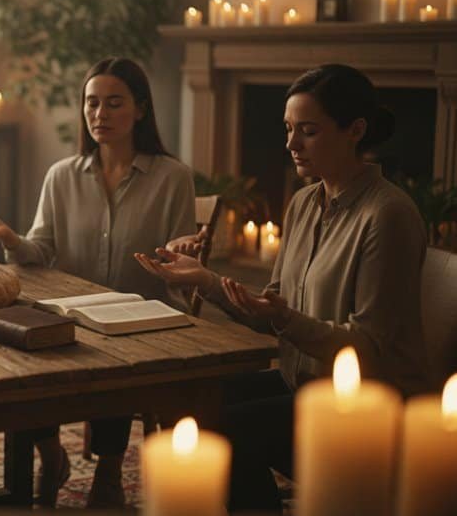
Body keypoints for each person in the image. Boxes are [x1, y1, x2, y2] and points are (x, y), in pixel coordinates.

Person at [137, 63, 429, 511]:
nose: (291, 144)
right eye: (289, 129)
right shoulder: (304, 202)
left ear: (356, 130)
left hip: (361, 406)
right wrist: (205, 279)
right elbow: (270, 309)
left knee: (226, 430)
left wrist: (281, 316)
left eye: (308, 131)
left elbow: (366, 347)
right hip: (301, 382)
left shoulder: (387, 215)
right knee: (188, 399)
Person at [0, 57, 196, 508]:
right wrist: (10, 237)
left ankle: (108, 470)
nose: (100, 115)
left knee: (117, 355)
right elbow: (40, 253)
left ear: (140, 110)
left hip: (140, 320)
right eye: (91, 104)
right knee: (18, 357)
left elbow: (176, 260)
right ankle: (51, 452)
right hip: (67, 315)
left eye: (113, 103)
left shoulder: (173, 178)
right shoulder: (61, 175)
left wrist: (181, 253)